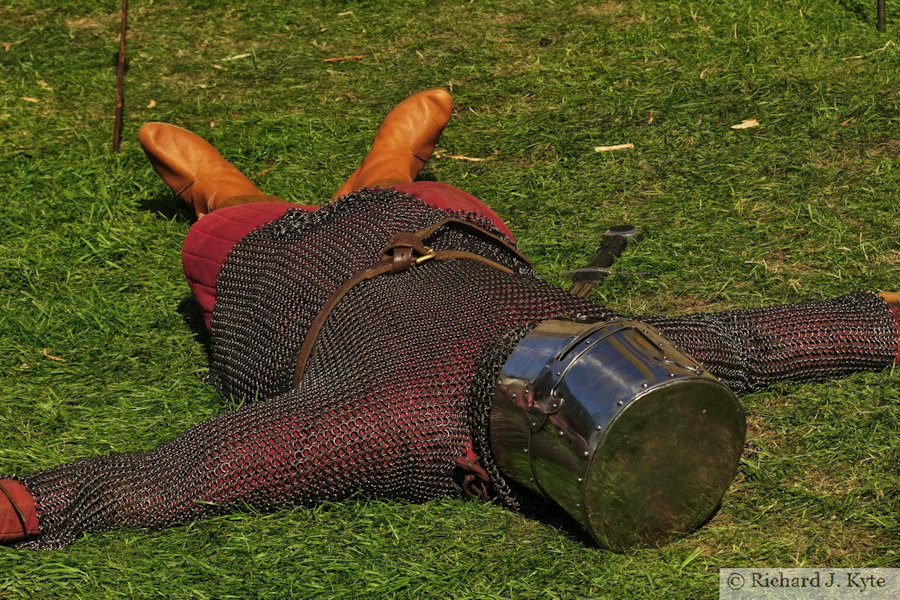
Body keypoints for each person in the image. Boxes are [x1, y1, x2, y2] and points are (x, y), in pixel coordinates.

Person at [1, 89, 897, 550]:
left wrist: (28, 505)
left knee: (231, 214)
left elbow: (194, 471)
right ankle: (389, 162)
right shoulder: (639, 356)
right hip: (434, 231)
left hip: (289, 272)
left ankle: (218, 187)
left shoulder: (393, 423)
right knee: (405, 188)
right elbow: (770, 337)